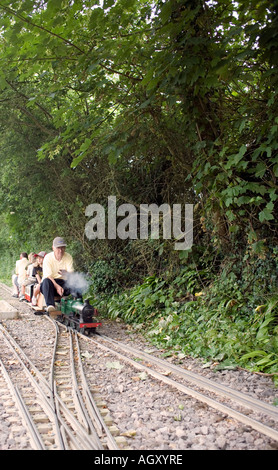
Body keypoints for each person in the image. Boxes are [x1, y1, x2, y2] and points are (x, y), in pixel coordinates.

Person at [40, 237, 74, 313]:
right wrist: (57, 286)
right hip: (50, 285)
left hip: (63, 283)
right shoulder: (48, 258)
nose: (60, 250)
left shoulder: (68, 257)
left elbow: (71, 273)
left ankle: (78, 304)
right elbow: (48, 275)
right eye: (58, 248)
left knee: (75, 281)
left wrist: (67, 273)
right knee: (46, 281)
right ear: (53, 248)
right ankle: (50, 306)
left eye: (62, 248)